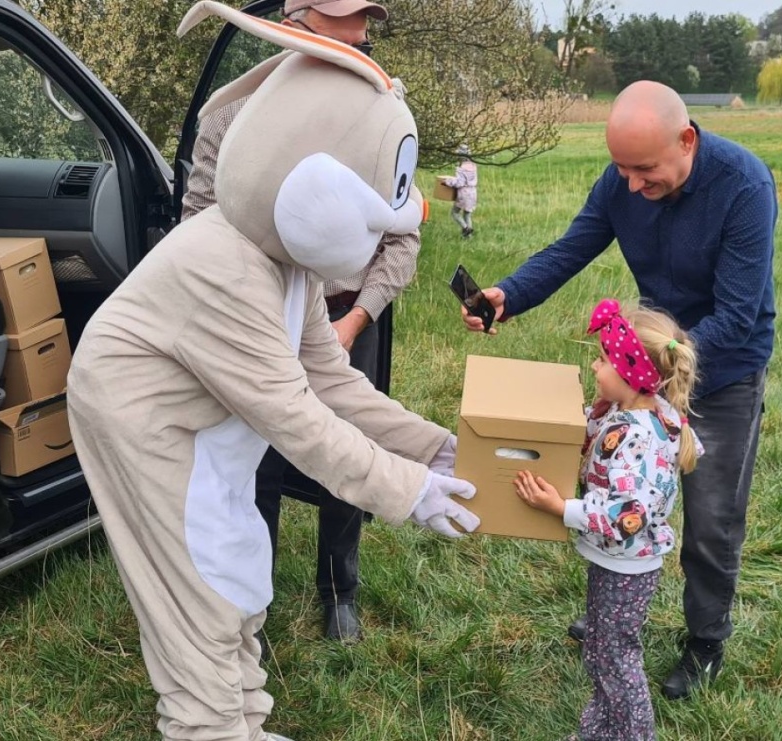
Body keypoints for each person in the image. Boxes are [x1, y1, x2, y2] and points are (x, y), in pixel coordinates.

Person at [68, 5, 481, 739]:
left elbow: (331, 379)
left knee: (238, 555)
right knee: (196, 588)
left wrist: (434, 447)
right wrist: (408, 491)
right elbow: (298, 420)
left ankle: (246, 719)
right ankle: (207, 723)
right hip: (140, 417)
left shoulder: (286, 263)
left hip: (201, 411)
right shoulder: (227, 268)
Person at [461, 80, 777, 700]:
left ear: (687, 140)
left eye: (645, 170)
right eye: (622, 170)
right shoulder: (622, 181)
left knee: (711, 518)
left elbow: (738, 315)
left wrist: (652, 372)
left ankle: (705, 639)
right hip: (643, 373)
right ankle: (615, 617)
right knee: (620, 492)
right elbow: (573, 246)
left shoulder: (744, 186)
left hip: (722, 373)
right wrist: (510, 293)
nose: (631, 185)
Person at [181, 0, 416, 644]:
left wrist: (356, 318)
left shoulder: (377, 118)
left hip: (348, 320)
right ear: (294, 25)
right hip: (260, 325)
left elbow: (402, 236)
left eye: (365, 23)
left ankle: (340, 589)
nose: (361, 35)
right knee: (254, 460)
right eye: (345, 22)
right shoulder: (230, 120)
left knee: (352, 450)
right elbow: (200, 223)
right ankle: (248, 593)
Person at [514, 299, 702, 741]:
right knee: (601, 652)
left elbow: (627, 516)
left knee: (617, 659)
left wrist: (562, 509)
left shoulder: (638, 437)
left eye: (602, 359)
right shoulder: (635, 411)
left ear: (630, 372)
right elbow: (593, 436)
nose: (595, 365)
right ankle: (599, 733)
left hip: (626, 565)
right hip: (617, 562)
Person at [441, 144, 478, 238]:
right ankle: (468, 237)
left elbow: (459, 182)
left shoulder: (461, 168)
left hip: (464, 193)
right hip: (473, 192)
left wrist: (447, 182)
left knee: (455, 212)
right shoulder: (473, 166)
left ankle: (466, 228)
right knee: (467, 214)